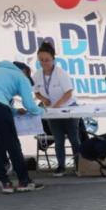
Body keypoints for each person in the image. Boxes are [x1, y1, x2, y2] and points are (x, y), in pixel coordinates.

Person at [0, 61, 44, 193]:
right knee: (12, 145)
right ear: (25, 72)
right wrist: (42, 111)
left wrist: (14, 111)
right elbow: (30, 105)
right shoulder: (20, 76)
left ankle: (5, 183)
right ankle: (24, 182)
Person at [33, 41, 82, 177]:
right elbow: (36, 92)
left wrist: (57, 104)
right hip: (52, 112)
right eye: (41, 60)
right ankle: (61, 166)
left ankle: (79, 165)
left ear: (53, 59)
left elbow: (68, 92)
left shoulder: (61, 73)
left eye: (47, 60)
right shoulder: (37, 75)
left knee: (74, 138)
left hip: (68, 109)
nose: (44, 63)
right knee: (58, 139)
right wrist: (43, 99)